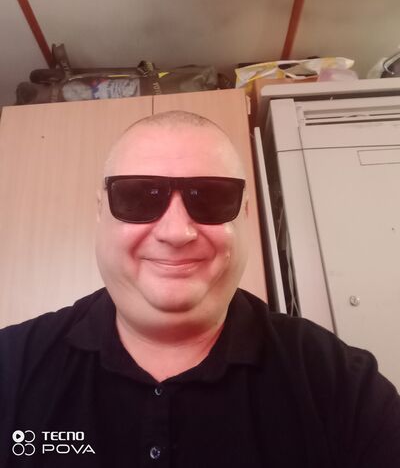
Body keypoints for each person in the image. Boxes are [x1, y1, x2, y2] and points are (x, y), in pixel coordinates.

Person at [0, 110, 399, 468]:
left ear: (244, 214)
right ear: (101, 210)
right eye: (138, 196)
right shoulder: (10, 366)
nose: (176, 232)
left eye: (210, 197)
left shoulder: (341, 384)